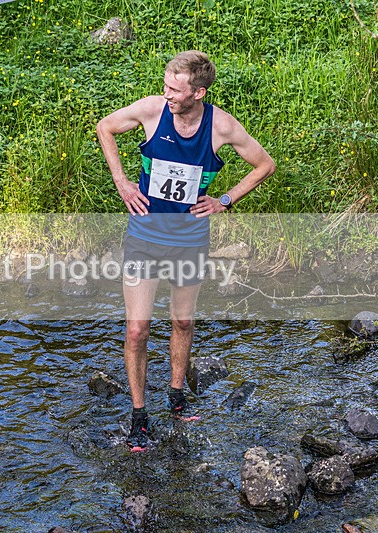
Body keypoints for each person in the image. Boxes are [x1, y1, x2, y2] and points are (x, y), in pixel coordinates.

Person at [96, 51, 275, 452]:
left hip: (190, 241)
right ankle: (139, 417)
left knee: (182, 321)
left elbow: (265, 165)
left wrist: (224, 200)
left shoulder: (221, 125)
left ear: (198, 92)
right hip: (144, 236)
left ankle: (176, 397)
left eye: (175, 90)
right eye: (165, 86)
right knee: (137, 329)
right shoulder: (152, 111)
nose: (167, 94)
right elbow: (105, 127)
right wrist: (122, 182)